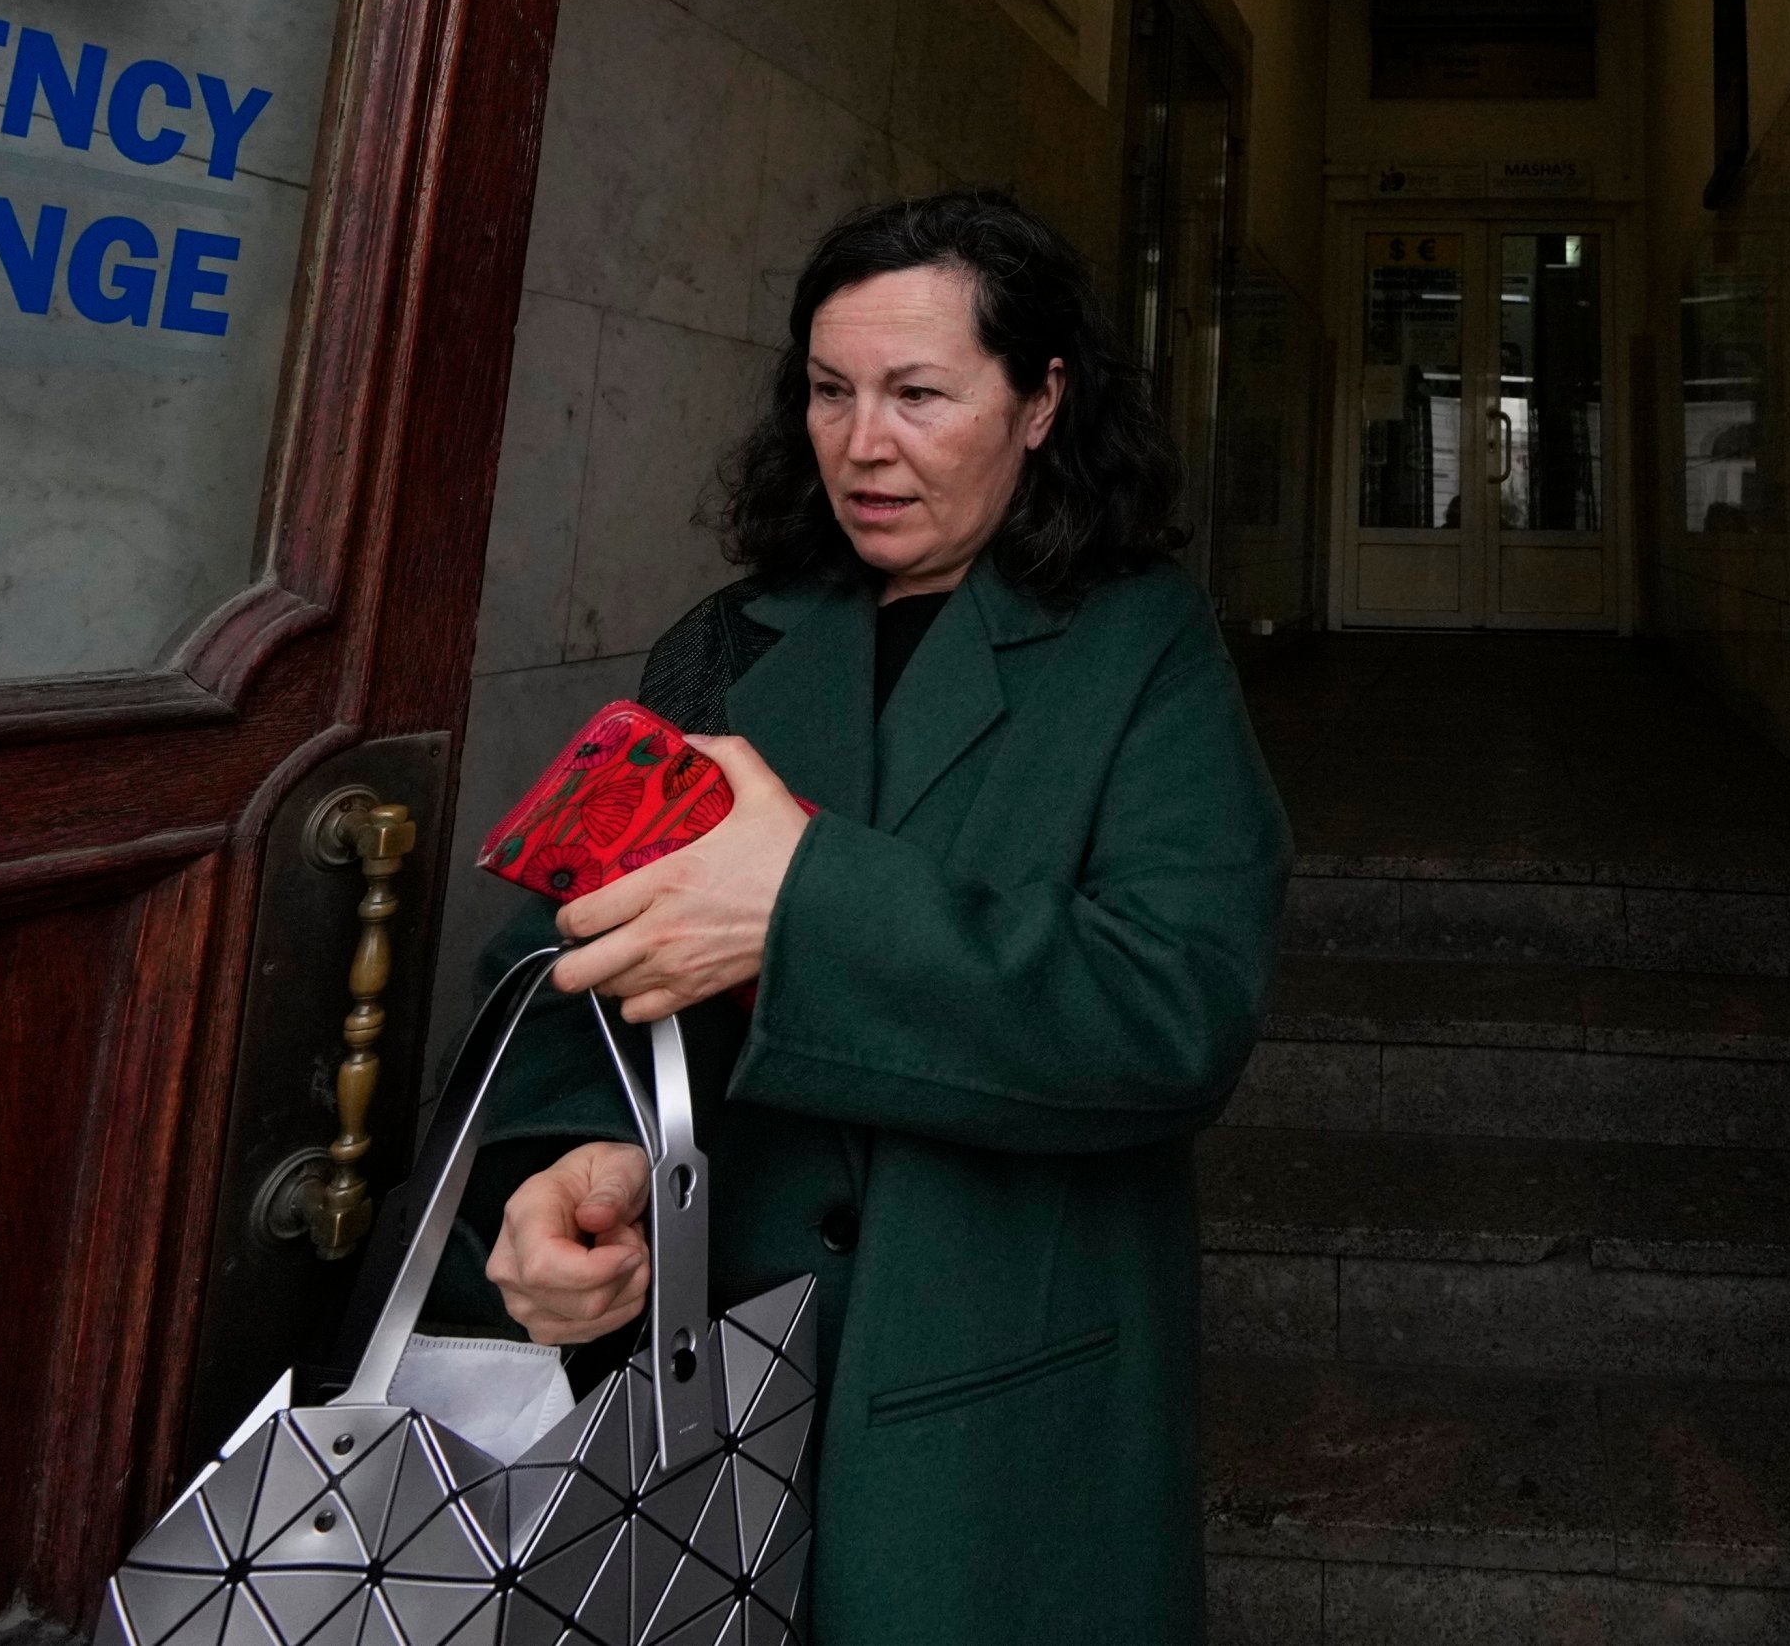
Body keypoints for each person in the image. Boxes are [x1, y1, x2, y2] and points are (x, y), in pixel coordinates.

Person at [437, 188, 1290, 1641]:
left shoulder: (1142, 645)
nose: (862, 443)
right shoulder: (721, 645)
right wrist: (562, 1157)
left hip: (992, 1406)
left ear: (1040, 401)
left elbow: (1175, 1007)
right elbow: (562, 951)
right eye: (830, 391)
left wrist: (802, 912)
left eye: (919, 393)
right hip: (698, 1392)